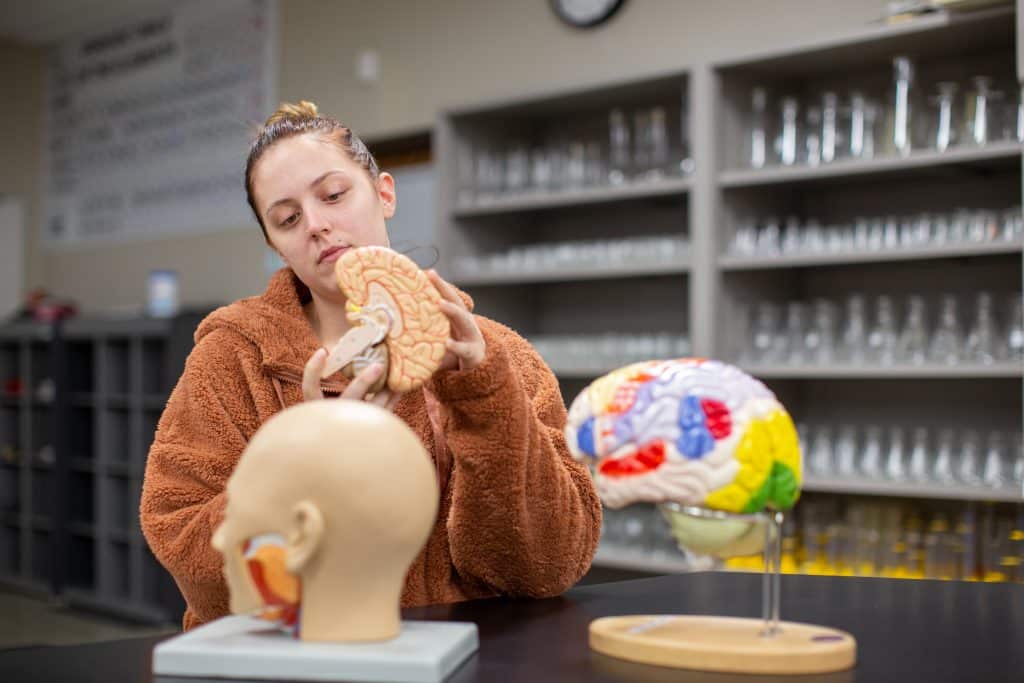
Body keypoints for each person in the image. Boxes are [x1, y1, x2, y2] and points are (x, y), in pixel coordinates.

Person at [139, 101, 602, 630]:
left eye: (334, 195)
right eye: (287, 219)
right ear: (275, 243)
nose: (316, 225)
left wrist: (484, 397)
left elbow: (548, 568)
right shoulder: (233, 358)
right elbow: (193, 560)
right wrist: (311, 459)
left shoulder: (497, 357)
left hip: (463, 656)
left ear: (384, 193)